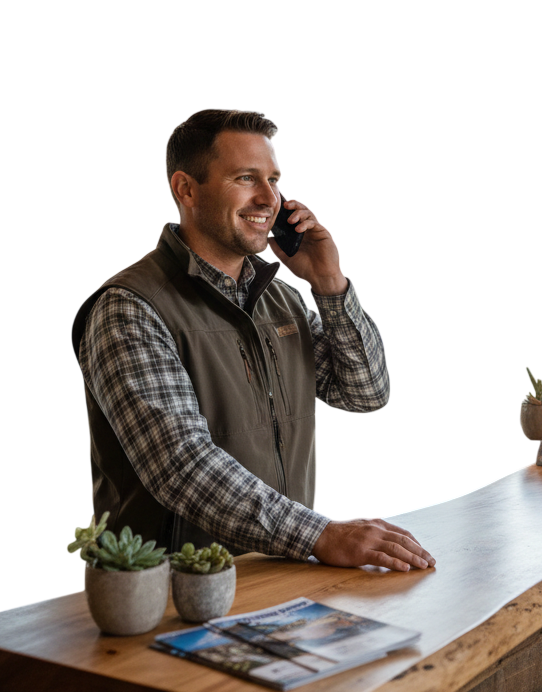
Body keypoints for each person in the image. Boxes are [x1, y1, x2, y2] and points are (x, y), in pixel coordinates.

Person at [73, 108, 434, 573]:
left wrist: (329, 282)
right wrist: (322, 535)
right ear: (185, 189)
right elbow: (182, 466)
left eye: (274, 180)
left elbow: (365, 393)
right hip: (167, 591)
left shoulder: (281, 300)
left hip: (278, 572)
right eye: (246, 178)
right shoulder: (130, 307)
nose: (270, 198)